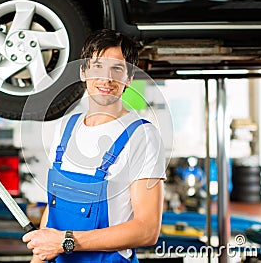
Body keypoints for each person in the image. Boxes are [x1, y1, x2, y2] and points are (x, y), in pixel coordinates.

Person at [22, 28, 167, 263]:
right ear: (83, 71)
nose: (106, 79)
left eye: (117, 69)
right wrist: (39, 259)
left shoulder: (143, 135)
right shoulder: (66, 128)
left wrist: (65, 242)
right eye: (98, 66)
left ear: (129, 78)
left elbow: (147, 230)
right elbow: (54, 207)